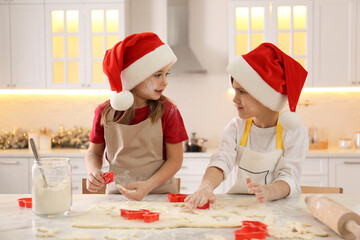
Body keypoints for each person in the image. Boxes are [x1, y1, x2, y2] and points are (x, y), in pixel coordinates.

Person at [185, 43, 309, 207]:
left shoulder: (293, 132)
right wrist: (206, 187)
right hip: (241, 206)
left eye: (242, 92)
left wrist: (269, 191)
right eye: (235, 90)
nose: (235, 99)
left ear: (266, 97)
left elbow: (289, 176)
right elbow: (222, 161)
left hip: (279, 208)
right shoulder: (236, 127)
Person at [85, 32, 188, 201]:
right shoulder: (104, 112)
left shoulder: (168, 111)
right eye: (157, 75)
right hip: (117, 197)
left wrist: (148, 185)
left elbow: (175, 160)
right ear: (134, 78)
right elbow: (93, 154)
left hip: (159, 195)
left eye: (166, 74)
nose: (165, 81)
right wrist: (93, 172)